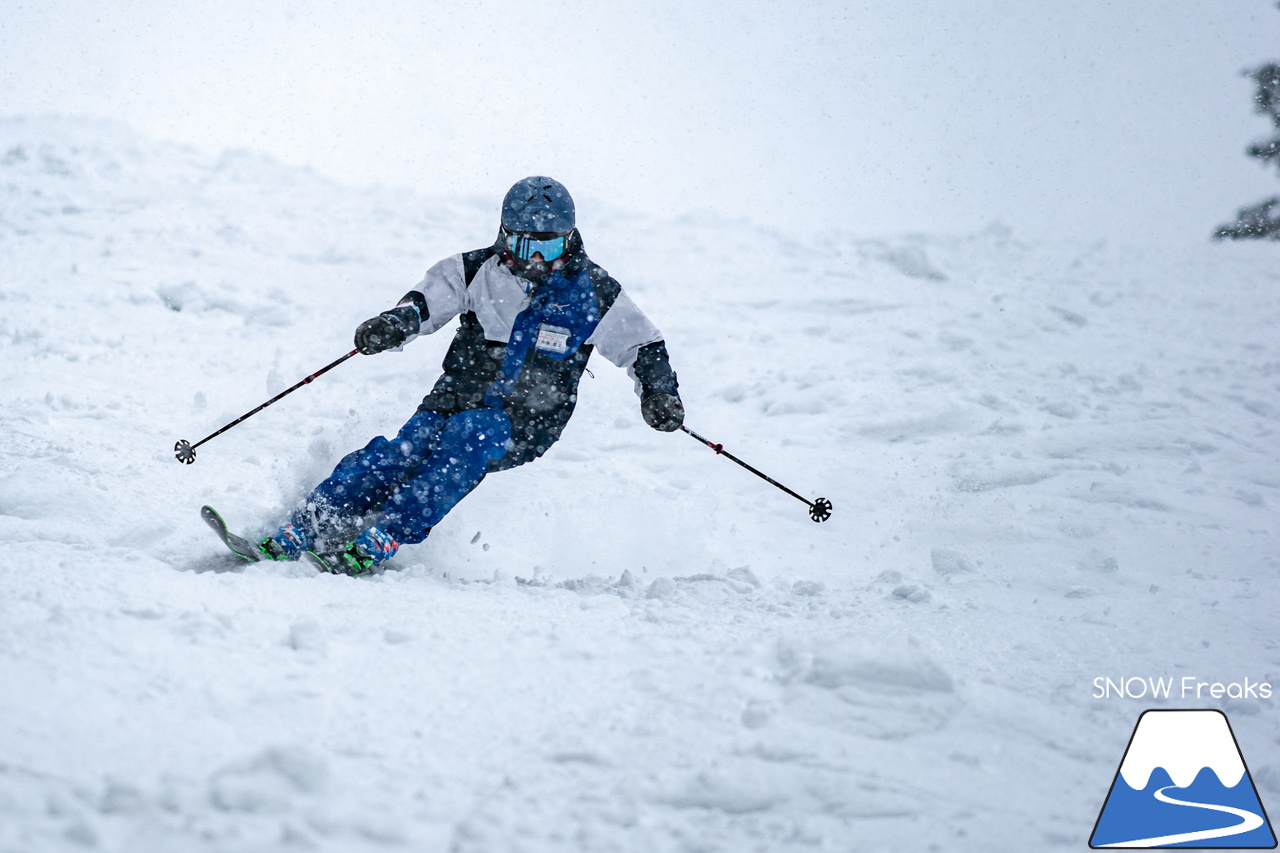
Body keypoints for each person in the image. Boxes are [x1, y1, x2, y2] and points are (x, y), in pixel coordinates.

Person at [256, 176, 684, 574]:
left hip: (526, 418)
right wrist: (394, 323)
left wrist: (659, 394)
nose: (536, 260)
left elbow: (644, 346)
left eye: (549, 248)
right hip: (452, 399)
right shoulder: (473, 270)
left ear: (569, 239)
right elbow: (424, 304)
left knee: (469, 437)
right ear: (503, 234)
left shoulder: (595, 293)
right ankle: (310, 524)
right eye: (524, 245)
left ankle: (387, 533)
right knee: (401, 453)